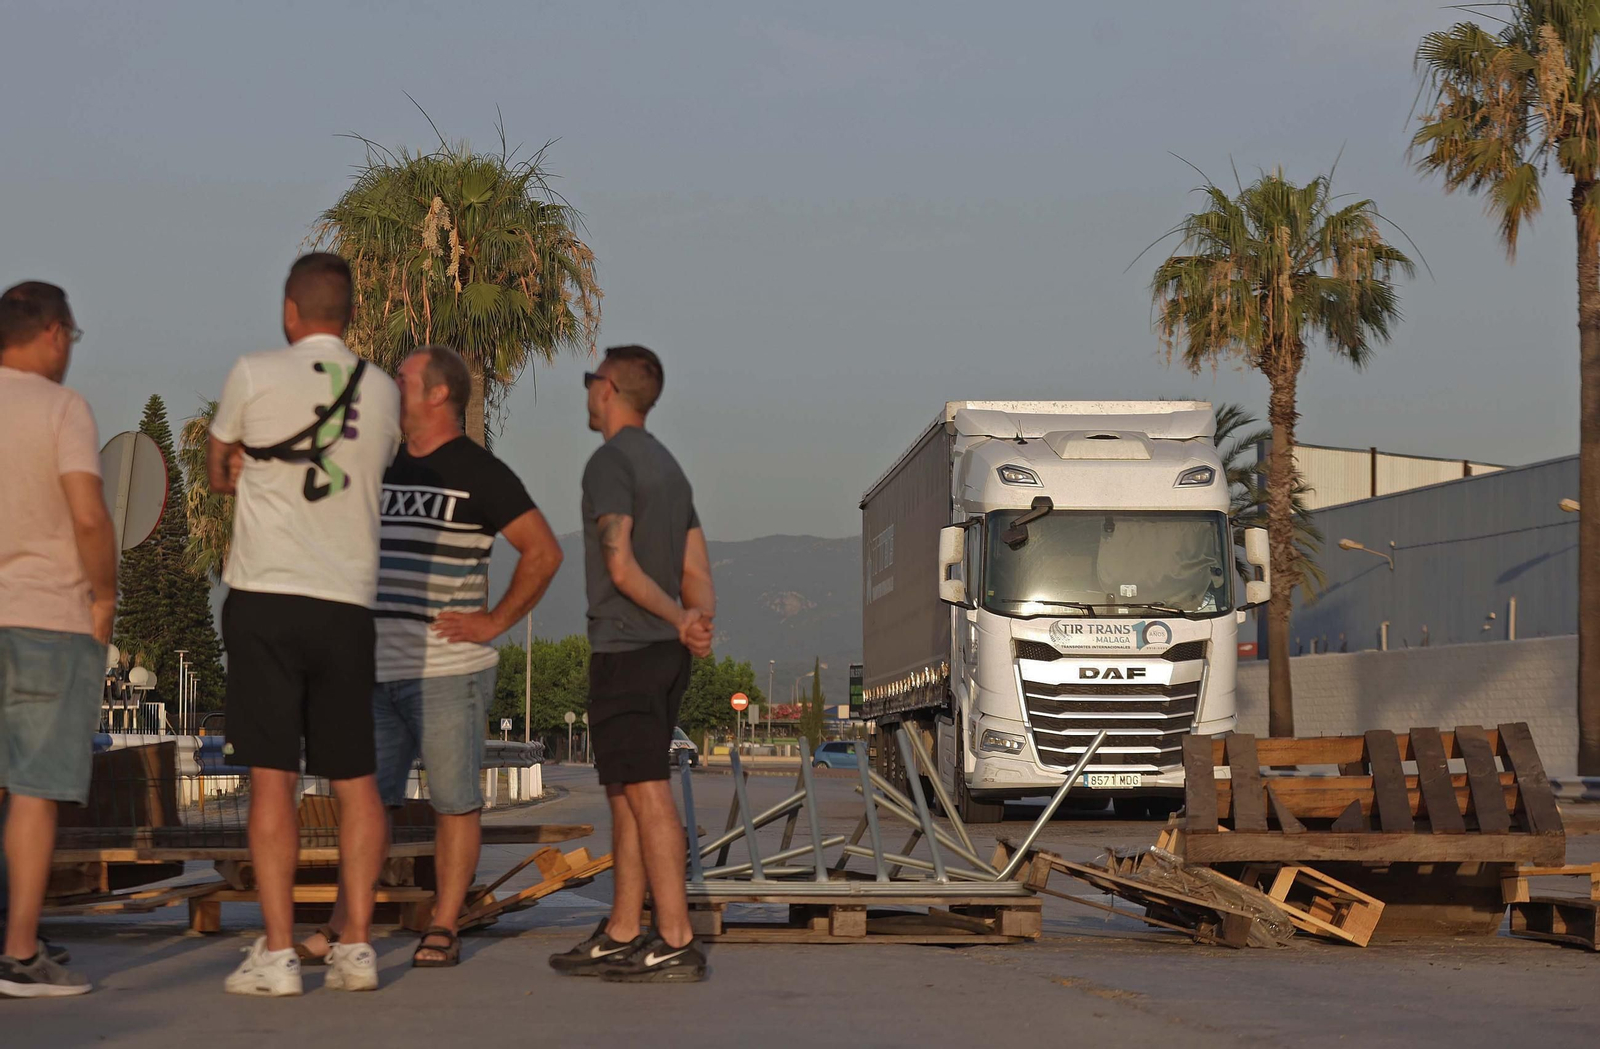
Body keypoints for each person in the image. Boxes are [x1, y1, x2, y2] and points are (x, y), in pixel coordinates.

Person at [295, 345, 563, 969]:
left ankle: (443, 925)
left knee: (453, 801)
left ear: (438, 394)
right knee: (365, 802)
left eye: (403, 378)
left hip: (448, 673)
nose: (391, 385)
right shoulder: (380, 463)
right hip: (373, 670)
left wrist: (494, 621)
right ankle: (345, 924)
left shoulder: (479, 471)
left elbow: (544, 551)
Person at [207, 254, 401, 997]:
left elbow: (219, 466)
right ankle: (357, 946)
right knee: (356, 780)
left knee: (273, 780)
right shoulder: (381, 389)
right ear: (348, 314)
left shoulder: (253, 372)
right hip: (347, 602)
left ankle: (281, 952)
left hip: (266, 596)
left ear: (290, 311)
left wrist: (243, 470)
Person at [549, 344, 715, 984]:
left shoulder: (610, 461)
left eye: (590, 380)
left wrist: (678, 620)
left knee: (647, 793)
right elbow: (695, 569)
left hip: (628, 650)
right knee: (623, 793)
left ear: (608, 389)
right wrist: (697, 622)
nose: (587, 391)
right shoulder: (670, 468)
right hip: (663, 656)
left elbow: (619, 566)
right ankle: (622, 930)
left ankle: (675, 938)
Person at [0, 282, 116, 999]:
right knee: (33, 790)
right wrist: (104, 595)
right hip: (46, 617)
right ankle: (19, 953)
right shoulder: (61, 408)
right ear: (52, 333)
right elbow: (90, 516)